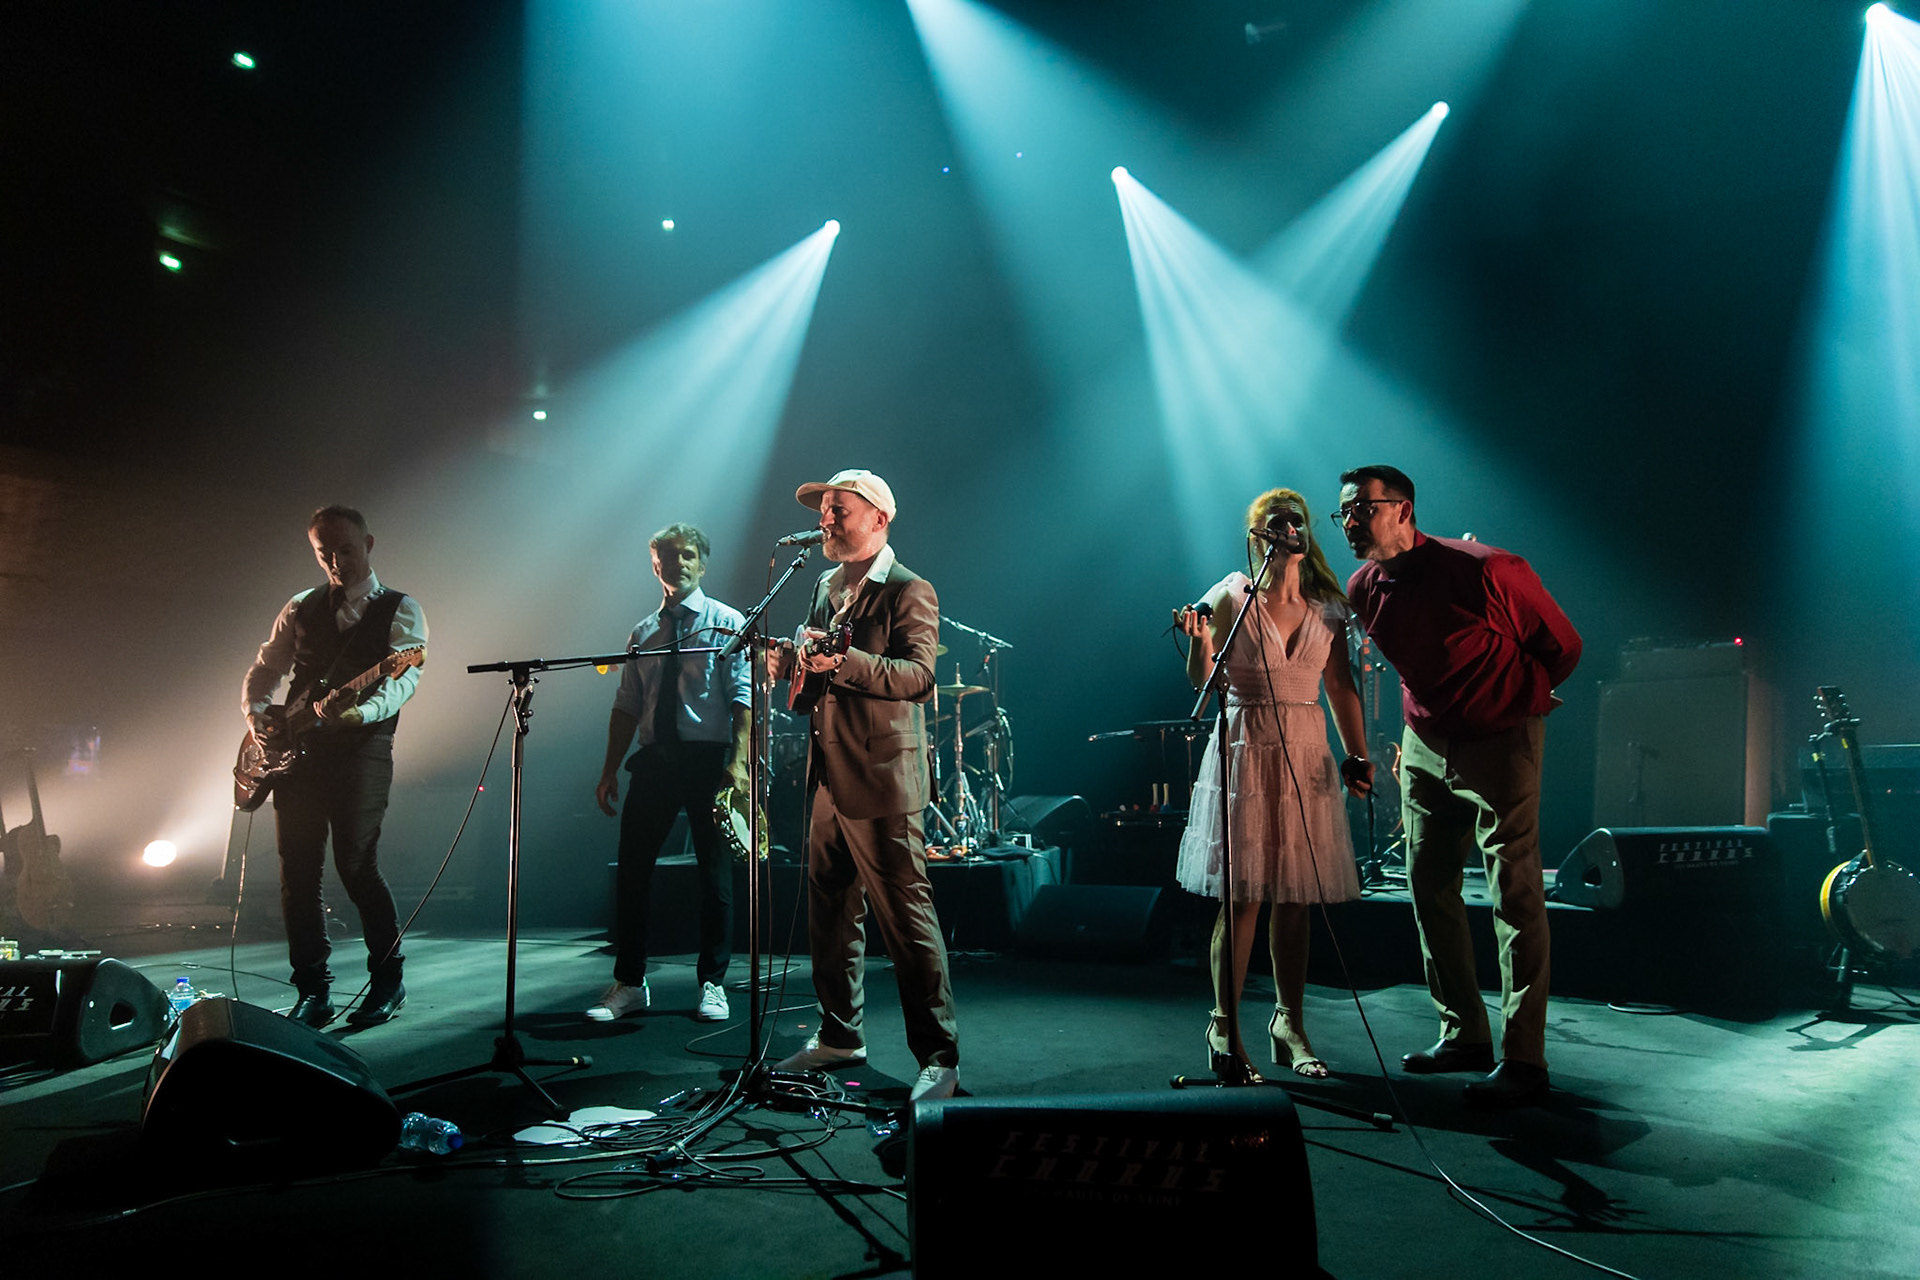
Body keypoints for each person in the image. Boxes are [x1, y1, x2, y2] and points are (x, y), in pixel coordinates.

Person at [1336, 465, 1582, 1107]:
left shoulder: (1487, 570)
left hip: (1500, 736)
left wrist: (1516, 698)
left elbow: (1563, 647)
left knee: (1514, 891)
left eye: (1361, 509)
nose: (1350, 523)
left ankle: (1524, 1057)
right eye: (1343, 514)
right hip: (1425, 743)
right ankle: (1464, 1034)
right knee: (1428, 884)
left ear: (1404, 510)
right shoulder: (1364, 587)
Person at [767, 469, 959, 1104]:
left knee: (905, 920)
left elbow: (918, 677)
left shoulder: (909, 589)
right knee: (829, 913)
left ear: (878, 518)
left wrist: (841, 663)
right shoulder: (824, 585)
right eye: (824, 510)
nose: (825, 520)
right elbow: (816, 678)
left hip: (881, 779)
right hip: (829, 775)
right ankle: (840, 1034)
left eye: (837, 510)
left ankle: (939, 1056)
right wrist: (791, 666)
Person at [1175, 489, 1374, 1081]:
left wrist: (1356, 754)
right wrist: (1199, 641)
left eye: (1297, 521)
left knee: (1296, 896)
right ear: (1258, 536)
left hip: (1307, 747)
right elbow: (1200, 681)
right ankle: (1225, 1026)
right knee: (1244, 898)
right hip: (1247, 744)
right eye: (1275, 522)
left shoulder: (1327, 606)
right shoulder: (1232, 592)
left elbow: (1340, 687)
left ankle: (1289, 1022)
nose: (1289, 528)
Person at [243, 505, 427, 1029]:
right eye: (324, 552)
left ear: (368, 544)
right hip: (295, 754)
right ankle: (313, 992)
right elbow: (264, 670)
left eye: (344, 549)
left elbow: (403, 680)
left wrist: (360, 711)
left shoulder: (402, 609)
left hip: (362, 751)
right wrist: (257, 717)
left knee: (356, 864)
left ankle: (388, 982)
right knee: (296, 873)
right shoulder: (300, 606)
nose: (335, 561)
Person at [587, 523, 751, 1025]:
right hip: (655, 761)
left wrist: (739, 764)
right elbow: (626, 705)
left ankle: (712, 983)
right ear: (654, 565)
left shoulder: (727, 622)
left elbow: (743, 696)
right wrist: (609, 769)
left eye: (686, 555)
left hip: (708, 762)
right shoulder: (642, 632)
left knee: (713, 876)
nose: (675, 563)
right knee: (633, 871)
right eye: (665, 556)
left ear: (702, 562)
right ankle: (631, 982)